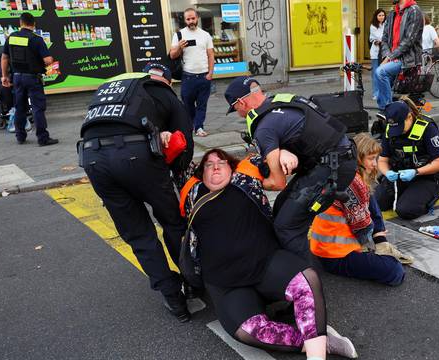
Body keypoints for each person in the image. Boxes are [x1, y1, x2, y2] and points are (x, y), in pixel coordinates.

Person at [179, 149, 358, 359]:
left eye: (221, 162)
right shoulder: (192, 193)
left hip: (265, 263)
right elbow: (174, 157)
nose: (215, 166)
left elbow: (268, 155)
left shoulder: (245, 178)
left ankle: (316, 353)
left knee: (307, 281)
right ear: (201, 173)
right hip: (225, 282)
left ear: (232, 167)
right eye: (208, 164)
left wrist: (282, 154)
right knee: (248, 331)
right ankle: (321, 342)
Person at [79, 64, 194, 322]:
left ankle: (173, 298)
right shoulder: (161, 90)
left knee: (139, 234)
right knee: (172, 222)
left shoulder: (111, 89)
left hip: (92, 158)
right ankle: (193, 280)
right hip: (136, 156)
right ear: (167, 82)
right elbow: (183, 139)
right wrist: (177, 173)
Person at [224, 76, 357, 261]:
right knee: (280, 208)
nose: (238, 113)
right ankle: (288, 262)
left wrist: (248, 183)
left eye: (235, 108)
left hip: (334, 167)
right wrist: (284, 151)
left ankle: (308, 282)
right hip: (334, 157)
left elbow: (277, 182)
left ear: (241, 103)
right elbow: (296, 133)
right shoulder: (279, 102)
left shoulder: (264, 129)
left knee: (287, 226)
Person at [310, 133, 410, 286]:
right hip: (336, 256)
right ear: (358, 158)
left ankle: (380, 240)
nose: (375, 164)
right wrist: (378, 243)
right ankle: (381, 245)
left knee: (371, 197)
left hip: (323, 248)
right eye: (371, 159)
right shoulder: (354, 182)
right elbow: (363, 231)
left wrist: (379, 238)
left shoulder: (342, 173)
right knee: (395, 271)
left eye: (376, 158)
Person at [375, 99, 439, 219]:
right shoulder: (390, 128)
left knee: (405, 210)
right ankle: (408, 193)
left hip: (425, 176)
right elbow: (382, 160)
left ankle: (429, 194)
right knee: (376, 203)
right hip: (400, 175)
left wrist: (416, 172)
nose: (397, 132)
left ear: (409, 117)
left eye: (400, 127)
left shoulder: (427, 128)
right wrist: (387, 173)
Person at [1, 12, 57, 146]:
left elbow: (4, 58)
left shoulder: (11, 37)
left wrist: (4, 76)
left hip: (17, 77)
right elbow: (47, 60)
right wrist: (50, 60)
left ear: (20, 23)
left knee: (20, 107)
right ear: (34, 24)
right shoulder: (36, 39)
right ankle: (42, 138)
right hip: (32, 78)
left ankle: (20, 136)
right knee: (38, 108)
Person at [169, 7, 214, 137]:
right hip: (188, 76)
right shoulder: (179, 35)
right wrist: (179, 47)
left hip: (204, 76)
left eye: (193, 18)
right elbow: (172, 55)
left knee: (202, 104)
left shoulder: (205, 35)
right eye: (188, 19)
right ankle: (192, 124)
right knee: (187, 104)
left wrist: (210, 73)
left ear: (197, 18)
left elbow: (211, 55)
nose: (191, 21)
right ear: (185, 20)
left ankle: (199, 127)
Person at [374, 0, 423, 110]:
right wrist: (388, 55)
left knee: (380, 72)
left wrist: (390, 57)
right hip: (394, 57)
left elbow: (409, 40)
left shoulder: (414, 11)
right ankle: (388, 111)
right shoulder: (392, 13)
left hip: (407, 59)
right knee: (384, 85)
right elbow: (385, 38)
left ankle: (387, 109)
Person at [369, 9, 386, 101]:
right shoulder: (373, 26)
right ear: (376, 16)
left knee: (384, 73)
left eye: (383, 15)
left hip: (385, 53)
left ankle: (383, 92)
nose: (381, 17)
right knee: (375, 74)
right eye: (379, 15)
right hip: (376, 53)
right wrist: (382, 40)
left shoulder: (386, 24)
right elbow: (378, 38)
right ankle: (375, 93)